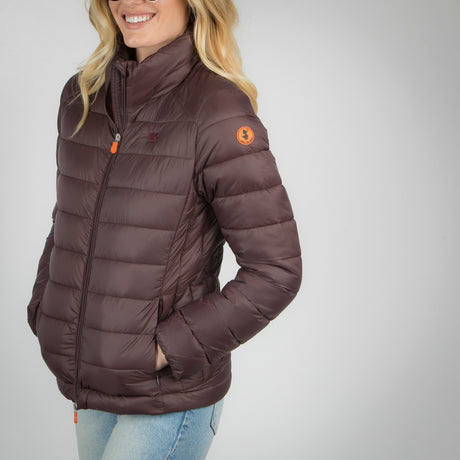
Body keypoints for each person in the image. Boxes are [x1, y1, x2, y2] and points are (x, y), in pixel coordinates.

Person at [26, 0, 302, 458]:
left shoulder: (216, 109)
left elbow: (276, 271)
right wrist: (47, 311)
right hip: (89, 385)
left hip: (167, 399)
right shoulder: (83, 95)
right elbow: (69, 220)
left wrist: (165, 350)